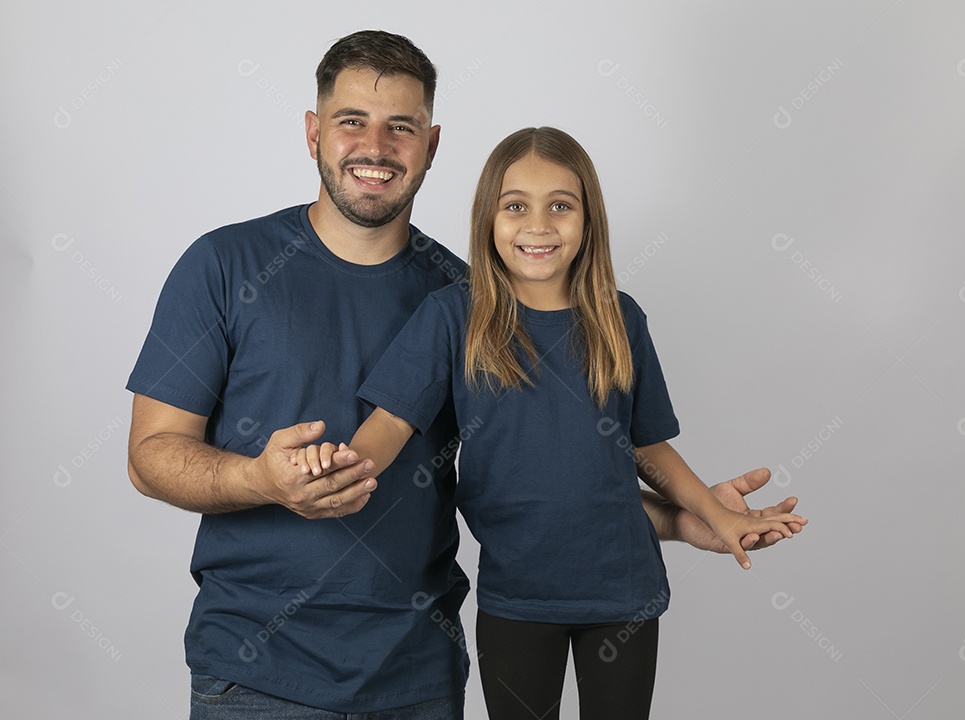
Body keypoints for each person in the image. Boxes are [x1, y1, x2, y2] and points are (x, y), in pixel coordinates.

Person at [126, 30, 802, 719]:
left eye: (402, 127)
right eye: (351, 121)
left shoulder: (479, 304)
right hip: (259, 679)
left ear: (432, 144)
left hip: (419, 676)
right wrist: (258, 479)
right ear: (312, 132)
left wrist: (684, 518)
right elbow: (150, 458)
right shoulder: (225, 267)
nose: (376, 147)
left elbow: (547, 474)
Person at [293, 127, 807, 720]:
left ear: (589, 220)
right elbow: (390, 423)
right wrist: (343, 467)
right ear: (489, 217)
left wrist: (717, 513)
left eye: (560, 205)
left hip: (625, 592)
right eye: (516, 206)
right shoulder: (453, 316)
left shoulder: (620, 318)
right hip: (516, 597)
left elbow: (648, 449)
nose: (538, 226)